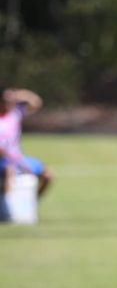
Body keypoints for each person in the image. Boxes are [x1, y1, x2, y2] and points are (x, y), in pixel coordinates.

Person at [0, 86, 53, 222]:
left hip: (18, 158)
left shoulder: (15, 113)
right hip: (4, 160)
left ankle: (31, 204)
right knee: (9, 171)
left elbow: (36, 102)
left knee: (48, 175)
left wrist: (21, 94)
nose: (10, 103)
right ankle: (6, 210)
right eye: (7, 101)